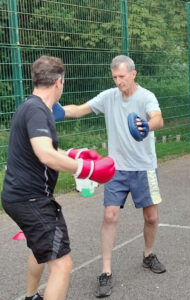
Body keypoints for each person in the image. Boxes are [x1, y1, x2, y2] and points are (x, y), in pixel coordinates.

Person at [1, 56, 115, 300]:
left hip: (18, 197)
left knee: (40, 248)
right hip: (32, 200)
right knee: (62, 264)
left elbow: (45, 149)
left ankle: (32, 296)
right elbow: (45, 155)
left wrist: (76, 154)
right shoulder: (37, 110)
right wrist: (87, 170)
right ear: (59, 82)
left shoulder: (31, 106)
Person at [62, 55, 166, 298]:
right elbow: (79, 110)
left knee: (151, 217)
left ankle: (148, 255)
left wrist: (146, 126)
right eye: (115, 77)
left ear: (133, 74)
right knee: (110, 216)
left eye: (122, 77)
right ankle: (106, 272)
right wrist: (53, 110)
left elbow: (158, 119)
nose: (118, 82)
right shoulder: (109, 97)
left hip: (143, 167)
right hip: (115, 168)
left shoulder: (146, 96)